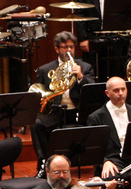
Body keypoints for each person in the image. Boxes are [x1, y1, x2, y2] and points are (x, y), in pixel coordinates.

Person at [31, 32, 94, 170]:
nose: (69, 50)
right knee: (36, 124)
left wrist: (80, 77)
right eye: (65, 47)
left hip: (77, 112)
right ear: (57, 49)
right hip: (55, 112)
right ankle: (43, 164)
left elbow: (91, 90)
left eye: (71, 47)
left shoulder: (85, 67)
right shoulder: (45, 69)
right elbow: (38, 94)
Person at [86, 76, 131, 179]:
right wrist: (105, 161)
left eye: (123, 89)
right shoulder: (95, 117)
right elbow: (93, 149)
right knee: (111, 176)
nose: (121, 93)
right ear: (107, 93)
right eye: (116, 90)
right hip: (112, 159)